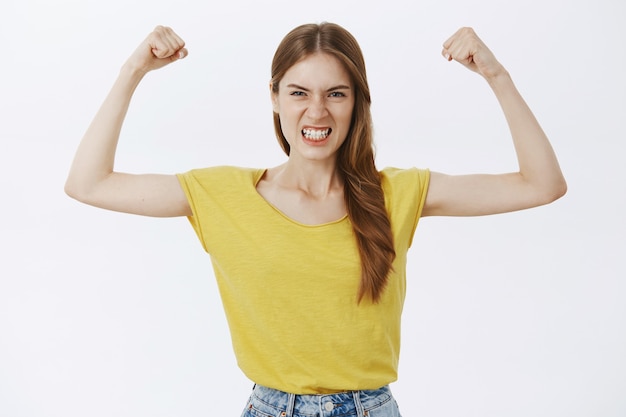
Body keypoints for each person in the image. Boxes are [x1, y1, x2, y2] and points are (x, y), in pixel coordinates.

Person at [65, 22, 566, 417]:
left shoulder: (398, 193)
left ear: (357, 102)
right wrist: (134, 69)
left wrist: (496, 75)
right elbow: (88, 183)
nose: (316, 111)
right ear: (275, 98)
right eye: (299, 92)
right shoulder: (221, 194)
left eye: (336, 93)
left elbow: (541, 184)